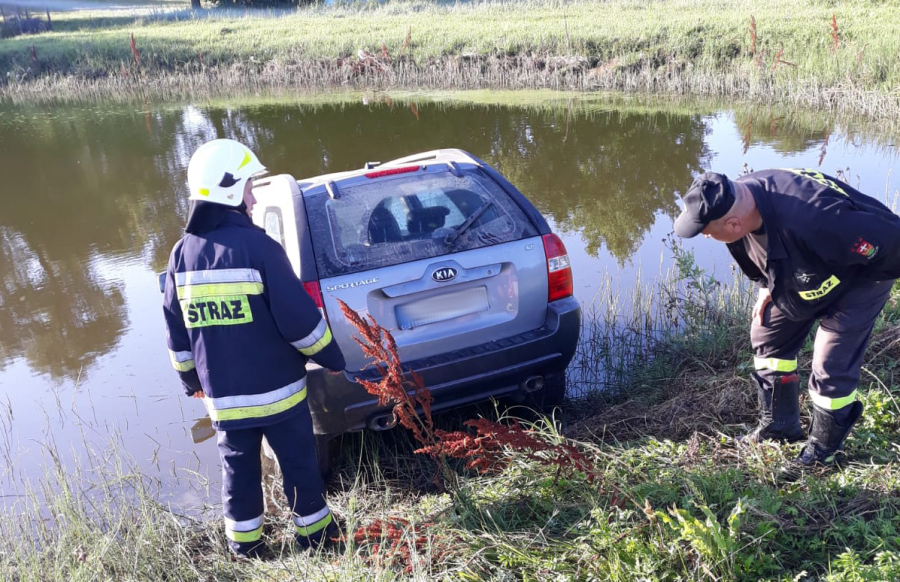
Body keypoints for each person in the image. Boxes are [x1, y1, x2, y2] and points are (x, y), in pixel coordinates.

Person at [162, 139, 345, 558]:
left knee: (238, 475)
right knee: (299, 466)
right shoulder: (261, 248)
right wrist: (332, 358)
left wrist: (190, 380)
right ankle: (316, 538)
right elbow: (300, 322)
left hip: (225, 402)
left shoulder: (180, 257)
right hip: (280, 396)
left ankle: (245, 547)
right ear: (228, 191)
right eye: (248, 187)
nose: (254, 197)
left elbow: (176, 331)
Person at [673, 169, 900, 474]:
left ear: (733, 223)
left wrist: (854, 297)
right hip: (804, 268)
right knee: (767, 330)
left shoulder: (820, 218)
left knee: (830, 360)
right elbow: (753, 253)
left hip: (863, 276)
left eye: (707, 231)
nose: (705, 236)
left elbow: (889, 241)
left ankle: (822, 453)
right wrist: (766, 285)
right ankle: (780, 426)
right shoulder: (739, 203)